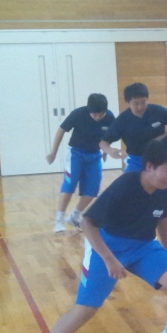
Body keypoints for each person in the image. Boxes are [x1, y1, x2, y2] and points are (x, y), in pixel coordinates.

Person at [33, 136, 167, 333]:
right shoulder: (125, 186)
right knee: (86, 307)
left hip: (143, 246)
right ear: (150, 166)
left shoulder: (166, 189)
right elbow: (87, 222)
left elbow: (162, 218)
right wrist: (109, 258)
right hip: (107, 245)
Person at [48, 93, 115, 233]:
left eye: (101, 114)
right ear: (89, 109)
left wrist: (104, 153)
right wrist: (53, 152)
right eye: (94, 114)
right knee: (70, 185)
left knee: (92, 189)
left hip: (95, 156)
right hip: (75, 154)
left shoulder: (109, 117)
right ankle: (59, 219)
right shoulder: (78, 114)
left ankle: (75, 216)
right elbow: (61, 131)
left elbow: (108, 137)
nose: (98, 117)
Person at [100, 83, 167, 175]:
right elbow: (103, 142)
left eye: (143, 102)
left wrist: (164, 136)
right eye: (135, 103)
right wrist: (109, 150)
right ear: (128, 102)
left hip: (161, 156)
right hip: (136, 159)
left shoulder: (157, 111)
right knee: (129, 181)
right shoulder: (122, 120)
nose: (140, 107)